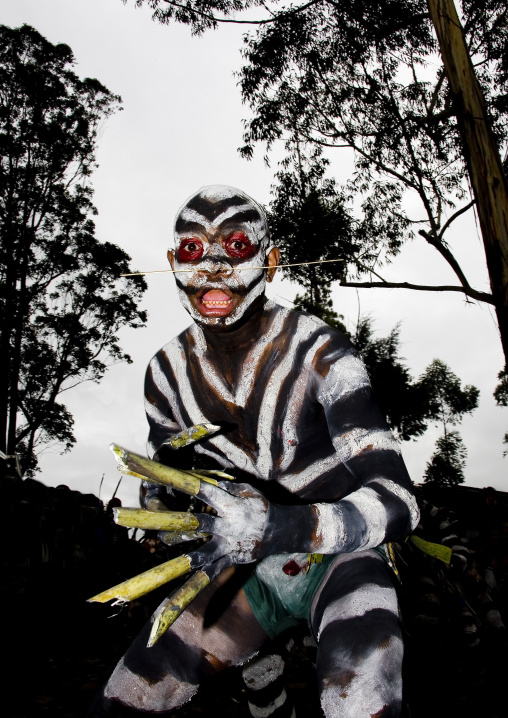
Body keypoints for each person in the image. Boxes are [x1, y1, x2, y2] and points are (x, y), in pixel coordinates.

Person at [90, 185, 419, 717]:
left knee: (361, 697)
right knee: (126, 699)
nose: (215, 268)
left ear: (270, 261)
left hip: (343, 560)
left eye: (237, 245)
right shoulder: (165, 376)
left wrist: (281, 527)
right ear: (172, 263)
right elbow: (165, 484)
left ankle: (277, 682)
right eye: (195, 250)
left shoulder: (321, 353)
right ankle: (265, 684)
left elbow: (399, 502)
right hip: (242, 576)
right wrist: (164, 520)